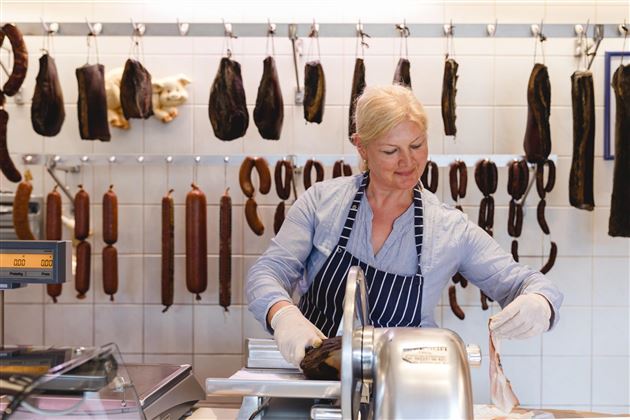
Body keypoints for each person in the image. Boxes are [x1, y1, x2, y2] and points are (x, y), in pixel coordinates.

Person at [246, 84, 563, 367]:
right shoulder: (322, 203)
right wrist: (282, 313)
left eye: (416, 145)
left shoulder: (448, 228)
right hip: (313, 385)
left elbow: (524, 282)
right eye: (390, 151)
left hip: (405, 394)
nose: (408, 162)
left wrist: (540, 303)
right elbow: (268, 271)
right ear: (361, 147)